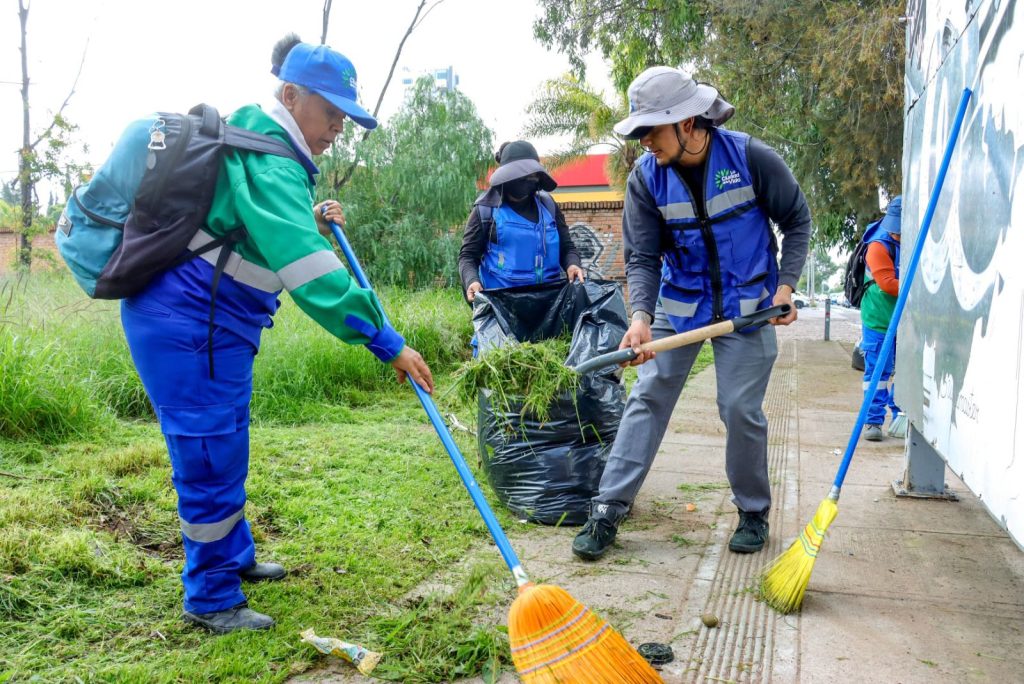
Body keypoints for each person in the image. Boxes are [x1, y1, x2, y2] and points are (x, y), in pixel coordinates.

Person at [120, 34, 434, 634]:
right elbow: (313, 276)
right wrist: (388, 341)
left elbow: (254, 226)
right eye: (330, 110)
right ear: (290, 95)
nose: (338, 125)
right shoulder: (270, 155)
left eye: (345, 114)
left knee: (228, 440)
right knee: (209, 452)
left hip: (220, 323)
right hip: (189, 323)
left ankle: (234, 560)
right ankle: (210, 597)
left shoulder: (265, 150)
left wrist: (308, 220)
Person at [571, 67, 810, 561]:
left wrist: (785, 286)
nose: (645, 144)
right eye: (639, 133)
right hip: (679, 305)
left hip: (747, 308)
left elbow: (796, 219)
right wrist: (639, 316)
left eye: (651, 132)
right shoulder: (646, 180)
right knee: (647, 396)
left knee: (739, 408)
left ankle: (752, 510)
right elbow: (641, 257)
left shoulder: (749, 157)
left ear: (686, 122)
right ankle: (608, 509)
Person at [458, 140, 584, 303]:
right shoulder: (486, 210)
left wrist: (572, 264)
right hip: (501, 304)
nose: (528, 180)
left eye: (533, 176)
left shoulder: (548, 207)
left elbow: (567, 247)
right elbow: (467, 256)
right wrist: (472, 281)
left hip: (549, 302)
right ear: (507, 177)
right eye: (522, 176)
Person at [860, 196, 902, 441]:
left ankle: (901, 418)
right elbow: (887, 284)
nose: (897, 233)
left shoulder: (914, 240)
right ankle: (873, 421)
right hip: (879, 320)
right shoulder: (877, 245)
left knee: (906, 372)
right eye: (895, 228)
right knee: (877, 373)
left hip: (906, 321)